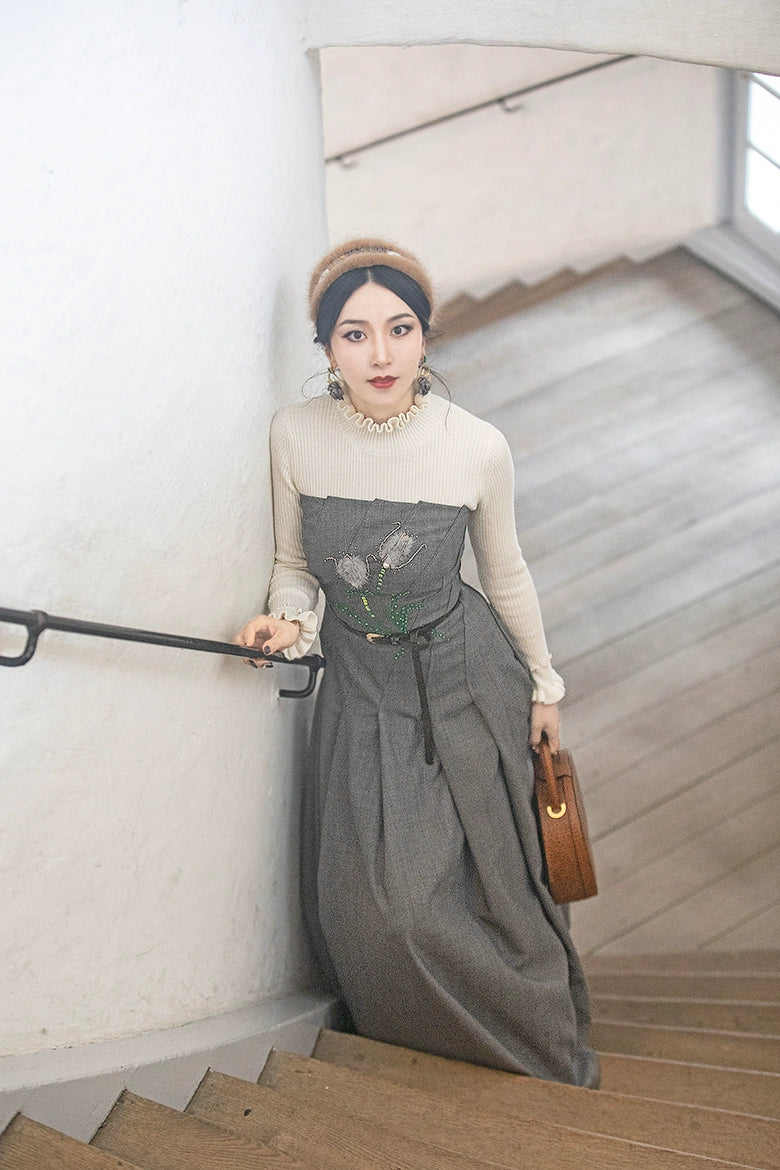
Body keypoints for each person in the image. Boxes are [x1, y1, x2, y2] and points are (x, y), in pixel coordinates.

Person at [235, 238, 599, 1087]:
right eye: (355, 334)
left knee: (499, 887)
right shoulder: (295, 434)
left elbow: (505, 574)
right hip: (362, 689)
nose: (382, 354)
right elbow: (295, 566)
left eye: (400, 329)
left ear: (426, 336)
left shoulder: (475, 446)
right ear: (326, 347)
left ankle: (529, 1041)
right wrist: (289, 623)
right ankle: (421, 1042)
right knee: (378, 910)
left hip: (467, 678)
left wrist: (545, 686)